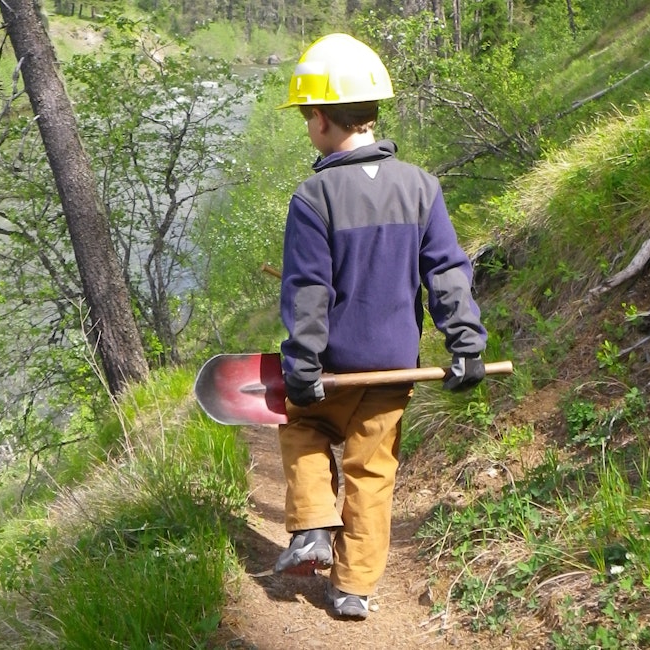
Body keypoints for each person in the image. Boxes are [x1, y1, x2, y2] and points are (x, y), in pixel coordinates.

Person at [273, 33, 488, 620]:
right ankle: (352, 589)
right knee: (373, 471)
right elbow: (446, 271)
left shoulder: (314, 196)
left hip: (335, 368)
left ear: (318, 119)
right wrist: (466, 344)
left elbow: (308, 291)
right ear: (372, 111)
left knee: (303, 431)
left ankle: (314, 527)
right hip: (395, 368)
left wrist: (301, 365)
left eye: (305, 116)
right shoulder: (421, 186)